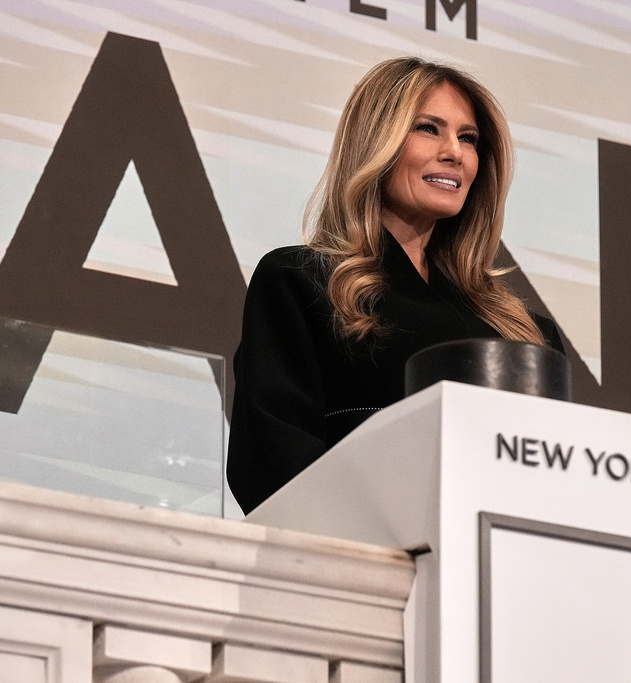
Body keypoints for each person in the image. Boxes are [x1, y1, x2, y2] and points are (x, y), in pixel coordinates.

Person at [226, 57, 564, 513]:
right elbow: (270, 466)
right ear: (375, 141)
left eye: (468, 138)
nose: (455, 153)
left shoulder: (526, 334)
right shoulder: (302, 284)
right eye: (429, 128)